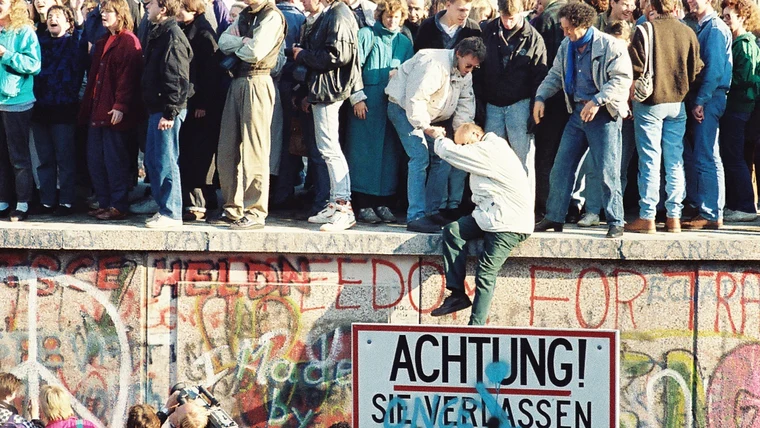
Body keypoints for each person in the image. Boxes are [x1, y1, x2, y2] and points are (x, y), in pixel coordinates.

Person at [533, 1, 632, 238]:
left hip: (604, 115)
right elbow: (556, 74)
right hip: (577, 114)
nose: (564, 33)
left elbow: (621, 79)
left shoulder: (610, 45)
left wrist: (597, 100)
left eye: (568, 29)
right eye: (563, 28)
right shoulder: (567, 45)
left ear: (583, 25)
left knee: (608, 169)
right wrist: (540, 96)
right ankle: (554, 216)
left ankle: (616, 220)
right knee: (561, 167)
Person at [430, 123, 532, 325]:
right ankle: (457, 294)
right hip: (489, 215)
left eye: (467, 144)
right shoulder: (484, 149)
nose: (466, 149)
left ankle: (476, 327)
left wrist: (437, 137)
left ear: (477, 134)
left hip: (509, 223)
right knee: (453, 231)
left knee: (485, 273)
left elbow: (451, 153)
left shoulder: (491, 149)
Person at [385, 36, 483, 233]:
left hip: (430, 115)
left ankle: (432, 211)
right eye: (468, 65)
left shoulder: (465, 73)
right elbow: (416, 98)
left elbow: (464, 104)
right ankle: (416, 216)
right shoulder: (433, 64)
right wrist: (426, 127)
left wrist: (461, 134)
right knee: (419, 156)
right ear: (458, 54)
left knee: (443, 157)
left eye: (474, 67)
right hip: (403, 108)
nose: (469, 70)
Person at [624, 0, 702, 233]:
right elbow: (697, 67)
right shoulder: (688, 31)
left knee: (649, 160)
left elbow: (634, 68)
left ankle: (647, 216)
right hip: (677, 103)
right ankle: (674, 217)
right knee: (674, 160)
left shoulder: (645, 29)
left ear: (653, 7)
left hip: (650, 102)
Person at [211, 0, 286, 229]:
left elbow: (256, 52)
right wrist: (243, 41)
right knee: (227, 149)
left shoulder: (271, 16)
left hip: (258, 80)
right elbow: (222, 41)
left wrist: (240, 44)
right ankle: (232, 207)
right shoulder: (245, 14)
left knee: (256, 150)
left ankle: (255, 211)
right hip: (238, 80)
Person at [292, 0, 362, 231]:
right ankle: (336, 203)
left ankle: (343, 206)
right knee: (327, 149)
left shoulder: (338, 14)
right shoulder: (335, 13)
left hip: (329, 89)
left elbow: (335, 55)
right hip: (327, 88)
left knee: (330, 150)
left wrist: (302, 55)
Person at [346, 0, 414, 224]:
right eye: (388, 15)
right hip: (367, 104)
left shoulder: (404, 42)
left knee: (389, 154)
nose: (391, 20)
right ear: (380, 15)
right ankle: (363, 203)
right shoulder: (366, 34)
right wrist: (357, 97)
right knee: (364, 154)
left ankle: (382, 202)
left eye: (396, 16)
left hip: (392, 105)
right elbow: (354, 67)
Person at [477, 0, 547, 197]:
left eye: (512, 18)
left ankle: (524, 205)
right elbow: (479, 70)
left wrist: (535, 108)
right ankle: (490, 202)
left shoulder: (534, 38)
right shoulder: (488, 31)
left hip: (520, 104)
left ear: (521, 14)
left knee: (522, 159)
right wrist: (480, 103)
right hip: (492, 103)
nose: (507, 22)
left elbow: (539, 76)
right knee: (490, 157)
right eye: (504, 17)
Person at [80, 0, 143, 221]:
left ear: (120, 14)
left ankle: (118, 205)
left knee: (114, 160)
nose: (104, 15)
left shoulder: (128, 41)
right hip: (97, 110)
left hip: (114, 112)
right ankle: (105, 202)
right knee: (96, 159)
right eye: (102, 11)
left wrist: (120, 106)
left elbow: (129, 79)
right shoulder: (103, 41)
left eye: (109, 11)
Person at [141, 0, 193, 228]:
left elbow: (178, 78)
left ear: (162, 8)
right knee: (154, 160)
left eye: (150, 3)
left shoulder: (172, 36)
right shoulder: (159, 34)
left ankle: (172, 213)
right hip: (157, 108)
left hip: (166, 110)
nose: (145, 6)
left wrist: (170, 113)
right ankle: (164, 208)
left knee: (166, 160)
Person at [32, 5, 87, 217]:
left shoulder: (73, 42)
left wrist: (76, 11)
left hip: (64, 109)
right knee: (45, 158)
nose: (52, 18)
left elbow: (82, 38)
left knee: (65, 158)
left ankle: (66, 201)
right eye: (50, 16)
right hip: (41, 108)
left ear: (68, 22)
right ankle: (46, 201)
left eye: (58, 16)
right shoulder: (41, 42)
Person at [681, 0, 732, 230]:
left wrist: (700, 100)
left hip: (710, 98)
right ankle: (709, 210)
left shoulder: (714, 29)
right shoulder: (703, 26)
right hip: (706, 97)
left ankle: (711, 213)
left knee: (706, 154)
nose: (691, 1)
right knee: (705, 153)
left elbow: (714, 70)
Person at [175, 0, 223, 222]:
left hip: (201, 105)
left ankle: (198, 203)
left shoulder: (203, 34)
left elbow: (210, 73)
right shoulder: (188, 30)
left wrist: (203, 103)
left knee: (198, 154)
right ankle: (197, 200)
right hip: (192, 102)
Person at [718, 0, 760, 222]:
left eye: (729, 16)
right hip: (739, 108)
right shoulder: (742, 42)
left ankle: (744, 206)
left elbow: (744, 81)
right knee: (735, 156)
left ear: (742, 17)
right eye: (723, 16)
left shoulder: (744, 44)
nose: (725, 20)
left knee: (735, 157)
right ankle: (738, 204)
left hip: (738, 108)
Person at [0, 0, 41, 222]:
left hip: (16, 102)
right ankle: (3, 200)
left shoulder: (24, 31)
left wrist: (6, 54)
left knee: (18, 156)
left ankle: (23, 203)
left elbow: (34, 64)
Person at [530, 0, 568, 221]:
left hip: (549, 97)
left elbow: (539, 63)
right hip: (572, 98)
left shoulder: (546, 18)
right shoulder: (578, 12)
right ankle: (562, 206)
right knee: (567, 157)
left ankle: (545, 205)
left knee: (546, 154)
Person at [413, 0, 481, 51]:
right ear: (448, 5)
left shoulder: (473, 29)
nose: (464, 15)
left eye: (467, 10)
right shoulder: (427, 26)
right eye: (461, 10)